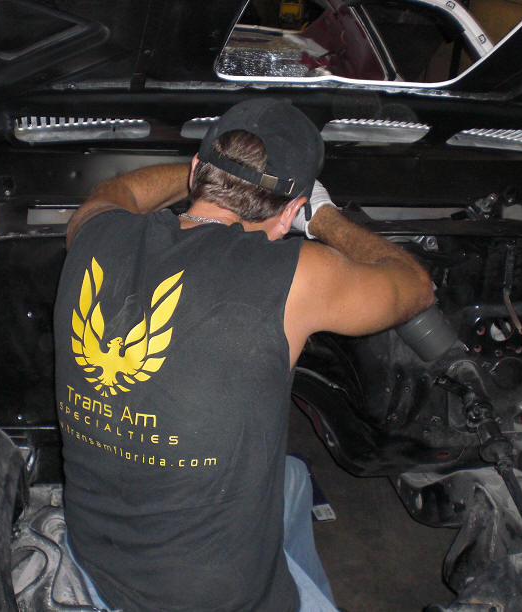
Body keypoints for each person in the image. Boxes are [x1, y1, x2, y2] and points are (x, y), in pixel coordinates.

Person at [53, 98, 434, 611]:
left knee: (292, 480)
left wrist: (214, 174)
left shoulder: (93, 233)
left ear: (196, 171)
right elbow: (415, 287)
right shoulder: (299, 275)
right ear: (292, 213)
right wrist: (323, 218)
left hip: (95, 551)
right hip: (210, 600)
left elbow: (115, 192)